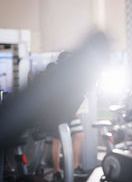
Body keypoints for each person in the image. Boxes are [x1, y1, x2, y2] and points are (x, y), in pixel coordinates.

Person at [50, 51, 87, 182]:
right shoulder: (55, 73)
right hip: (57, 114)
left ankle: (75, 165)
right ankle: (56, 171)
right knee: (57, 140)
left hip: (70, 112)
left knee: (79, 134)